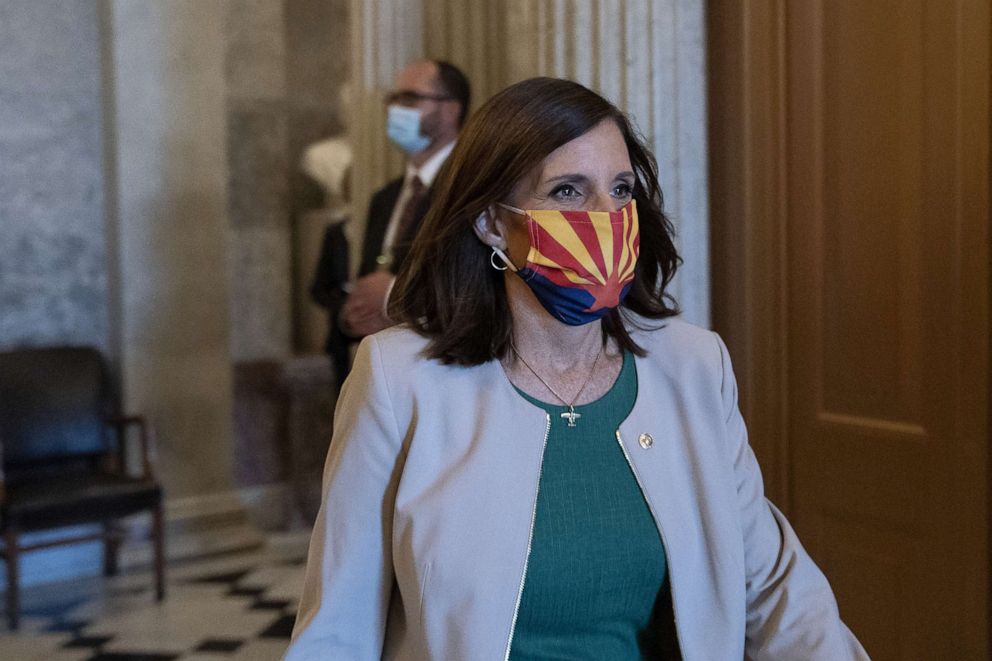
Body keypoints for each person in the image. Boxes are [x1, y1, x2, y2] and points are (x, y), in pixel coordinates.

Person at [285, 78, 868, 660]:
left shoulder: (694, 366)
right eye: (568, 191)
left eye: (621, 190)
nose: (607, 217)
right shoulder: (399, 379)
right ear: (492, 224)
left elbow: (774, 589)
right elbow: (338, 625)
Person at [329, 59, 470, 376]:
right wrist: (351, 316)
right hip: (381, 374)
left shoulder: (470, 187)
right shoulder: (385, 198)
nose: (396, 109)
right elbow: (367, 281)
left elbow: (476, 285)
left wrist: (394, 296)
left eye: (410, 98)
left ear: (451, 110)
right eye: (393, 100)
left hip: (442, 374)